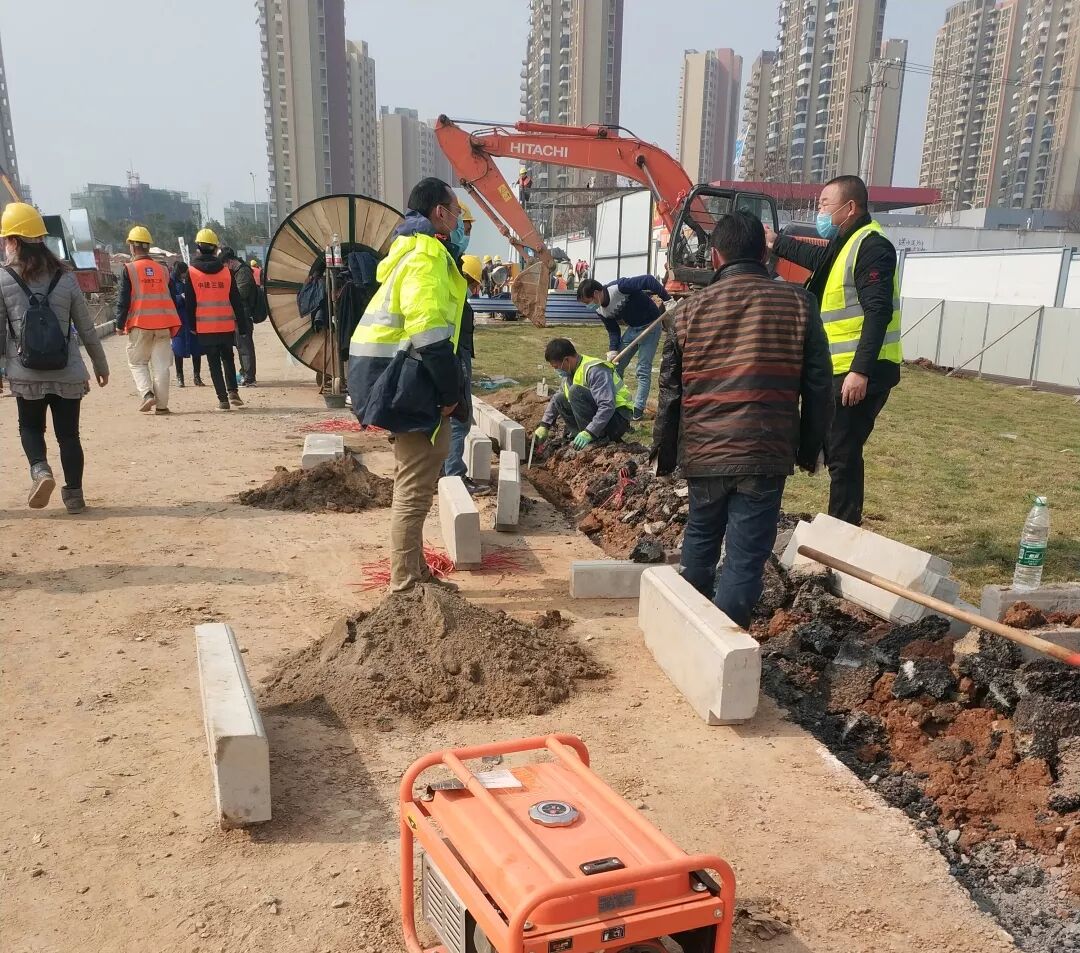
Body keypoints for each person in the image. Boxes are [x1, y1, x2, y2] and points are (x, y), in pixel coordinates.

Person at [653, 211, 833, 629]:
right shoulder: (800, 305)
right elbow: (819, 388)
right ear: (765, 251)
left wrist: (665, 454)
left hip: (703, 450)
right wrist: (808, 451)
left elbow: (670, 392)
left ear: (715, 257)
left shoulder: (686, 313)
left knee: (699, 539)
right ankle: (721, 640)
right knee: (745, 558)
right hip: (764, 451)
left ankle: (687, 631)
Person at [347, 177, 468, 593]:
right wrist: (450, 394)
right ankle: (404, 587)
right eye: (457, 212)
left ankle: (416, 575)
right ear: (440, 212)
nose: (460, 221)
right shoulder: (427, 255)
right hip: (410, 379)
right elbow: (430, 333)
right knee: (414, 491)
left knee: (412, 483)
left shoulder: (408, 251)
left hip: (394, 375)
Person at [766, 174, 901, 526]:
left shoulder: (872, 246)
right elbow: (816, 256)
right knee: (836, 445)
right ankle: (842, 524)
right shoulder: (846, 241)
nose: (820, 212)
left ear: (850, 207)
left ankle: (843, 529)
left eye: (825, 204)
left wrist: (860, 371)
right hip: (838, 366)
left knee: (843, 450)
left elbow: (878, 311)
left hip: (859, 370)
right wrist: (777, 242)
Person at [0, 202, 110, 513]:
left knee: (30, 427)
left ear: (14, 241)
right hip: (67, 370)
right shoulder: (66, 277)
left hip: (25, 372)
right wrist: (100, 365)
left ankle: (41, 471)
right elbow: (86, 327)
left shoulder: (4, 278)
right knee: (69, 435)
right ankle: (74, 495)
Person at [577, 273, 675, 421]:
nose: (589, 306)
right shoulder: (600, 310)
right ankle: (618, 403)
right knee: (615, 367)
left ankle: (638, 408)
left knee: (643, 369)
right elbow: (613, 330)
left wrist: (667, 299)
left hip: (651, 325)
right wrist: (613, 349)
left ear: (596, 293)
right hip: (633, 329)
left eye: (588, 301)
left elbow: (648, 280)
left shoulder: (619, 287)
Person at [114, 225, 181, 414]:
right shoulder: (163, 270)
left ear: (132, 247)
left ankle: (147, 394)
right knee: (161, 367)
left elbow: (123, 299)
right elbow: (173, 297)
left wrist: (119, 325)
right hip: (163, 325)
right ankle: (162, 406)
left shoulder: (129, 269)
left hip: (140, 325)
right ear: (148, 247)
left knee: (137, 362)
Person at [181, 228, 246, 411]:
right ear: (216, 249)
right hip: (225, 325)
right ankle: (233, 391)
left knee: (213, 362)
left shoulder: (192, 273)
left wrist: (192, 326)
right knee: (228, 358)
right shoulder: (226, 272)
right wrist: (241, 325)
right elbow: (236, 301)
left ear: (198, 248)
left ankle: (223, 400)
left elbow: (190, 304)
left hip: (205, 327)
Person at [533, 338, 634, 453]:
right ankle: (578, 438)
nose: (557, 370)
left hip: (617, 419)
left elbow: (607, 405)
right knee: (559, 398)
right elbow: (557, 398)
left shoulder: (595, 370)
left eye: (556, 367)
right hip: (604, 419)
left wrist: (590, 432)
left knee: (575, 391)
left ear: (566, 360)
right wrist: (544, 425)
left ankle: (597, 438)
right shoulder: (570, 373)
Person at [443, 254, 488, 494]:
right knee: (459, 420)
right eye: (474, 284)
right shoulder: (459, 304)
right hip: (455, 361)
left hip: (446, 360)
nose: (475, 289)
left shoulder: (446, 298)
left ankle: (443, 470)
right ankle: (455, 476)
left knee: (444, 420)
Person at [219, 247, 258, 386]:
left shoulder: (244, 272)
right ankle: (244, 372)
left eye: (224, 265)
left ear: (229, 262)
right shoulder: (237, 272)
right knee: (240, 346)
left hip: (243, 315)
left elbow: (241, 294)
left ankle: (249, 377)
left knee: (245, 347)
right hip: (236, 315)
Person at [169, 261, 203, 386]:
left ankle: (197, 376)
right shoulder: (171, 282)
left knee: (196, 349)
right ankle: (180, 377)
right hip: (179, 320)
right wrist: (180, 297)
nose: (184, 275)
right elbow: (170, 299)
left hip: (192, 319)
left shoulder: (191, 281)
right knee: (178, 349)